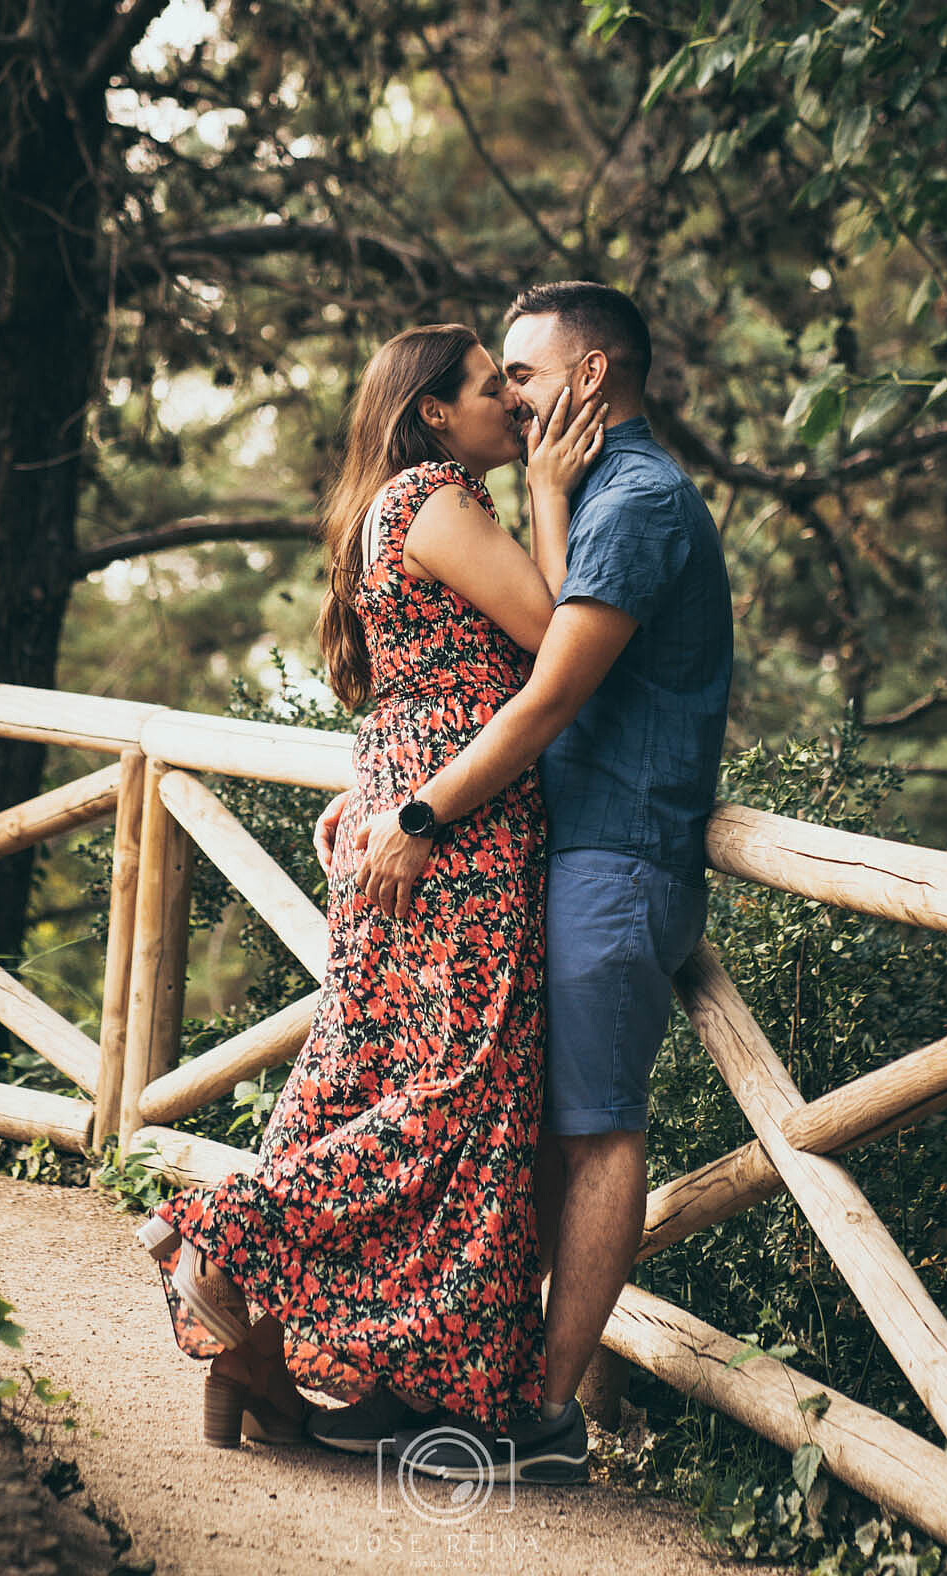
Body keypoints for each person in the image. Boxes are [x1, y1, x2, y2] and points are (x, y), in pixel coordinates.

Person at [146, 322, 605, 1454]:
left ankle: (248, 1351)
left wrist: (375, 791)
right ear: (435, 412)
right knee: (459, 1086)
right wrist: (550, 493)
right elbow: (555, 637)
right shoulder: (438, 499)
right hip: (454, 825)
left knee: (358, 1068)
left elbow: (420, 678)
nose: (514, 403)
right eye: (492, 387)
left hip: (404, 799)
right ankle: (221, 1240)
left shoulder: (390, 505)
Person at [322, 281, 734, 1485]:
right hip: (557, 847)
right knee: (513, 1123)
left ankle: (542, 1416)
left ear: (591, 375)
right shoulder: (586, 492)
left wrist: (418, 809)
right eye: (494, 376)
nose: (508, 394)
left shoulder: (637, 500)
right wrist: (380, 778)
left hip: (618, 852)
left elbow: (549, 689)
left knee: (592, 1129)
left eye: (523, 371)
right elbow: (470, 667)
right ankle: (458, 1379)